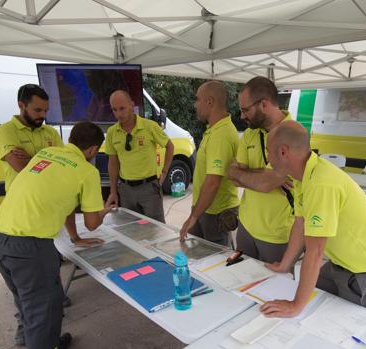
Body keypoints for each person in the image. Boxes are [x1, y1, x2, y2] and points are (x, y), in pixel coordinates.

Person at [0, 121, 114, 349]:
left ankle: (47, 342)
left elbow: (63, 201)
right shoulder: (88, 171)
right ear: (92, 150)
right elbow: (92, 222)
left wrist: (75, 237)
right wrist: (104, 212)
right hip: (30, 248)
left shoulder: (46, 153)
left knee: (30, 301)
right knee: (42, 309)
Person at [261, 121, 366, 317]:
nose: (267, 159)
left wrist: (295, 306)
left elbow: (315, 251)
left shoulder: (321, 183)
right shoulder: (302, 176)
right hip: (340, 264)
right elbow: (300, 224)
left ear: (283, 152)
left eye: (268, 152)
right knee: (315, 307)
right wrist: (284, 265)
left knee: (343, 327)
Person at [227, 77, 294, 262]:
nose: (241, 116)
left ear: (264, 104)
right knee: (240, 282)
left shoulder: (292, 134)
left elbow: (264, 184)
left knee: (274, 290)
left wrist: (250, 175)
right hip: (246, 228)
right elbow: (231, 174)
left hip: (277, 235)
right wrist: (266, 175)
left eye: (245, 110)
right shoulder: (251, 133)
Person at [179, 81, 239, 246]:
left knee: (216, 263)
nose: (195, 105)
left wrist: (194, 216)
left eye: (197, 99)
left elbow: (213, 182)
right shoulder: (215, 129)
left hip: (216, 213)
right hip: (207, 209)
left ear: (210, 102)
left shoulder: (221, 135)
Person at [104, 90, 174, 222]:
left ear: (131, 105)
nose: (119, 114)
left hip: (149, 188)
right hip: (125, 190)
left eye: (122, 108)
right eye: (114, 109)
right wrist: (113, 191)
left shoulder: (150, 126)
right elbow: (113, 163)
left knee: (155, 229)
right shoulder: (112, 132)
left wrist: (164, 172)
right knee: (130, 230)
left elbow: (170, 146)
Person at [0, 84, 63, 192]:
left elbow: (63, 167)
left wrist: (31, 158)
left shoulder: (51, 132)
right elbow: (20, 166)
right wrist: (49, 161)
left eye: (46, 111)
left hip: (49, 196)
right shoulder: (6, 130)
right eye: (38, 110)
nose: (43, 115)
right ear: (21, 105)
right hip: (21, 200)